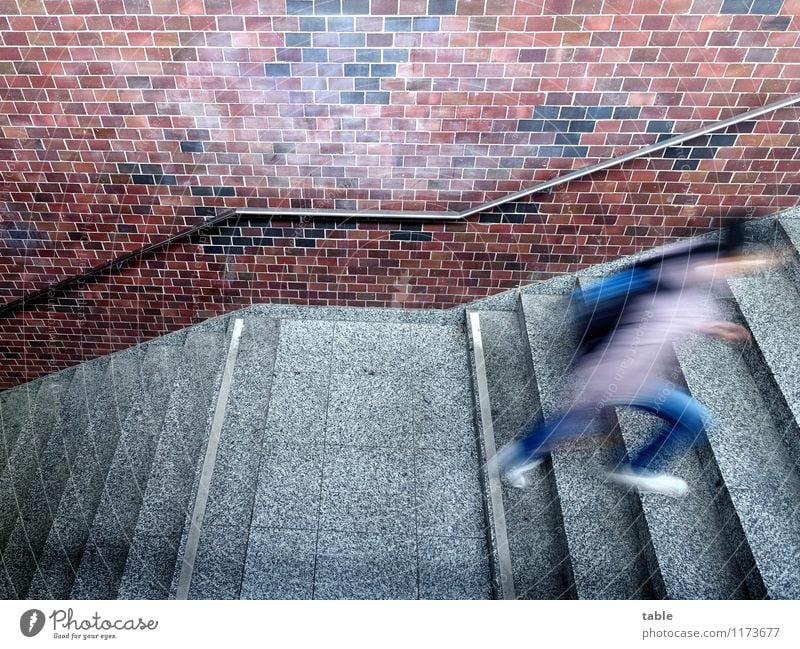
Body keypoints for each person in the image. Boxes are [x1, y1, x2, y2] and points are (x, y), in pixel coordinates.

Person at [495, 220, 771, 498]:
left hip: (602, 361)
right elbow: (652, 328)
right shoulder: (683, 299)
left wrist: (709, 326)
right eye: (741, 264)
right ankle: (639, 468)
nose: (741, 270)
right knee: (693, 418)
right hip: (617, 375)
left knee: (575, 418)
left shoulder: (683, 258)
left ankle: (518, 454)